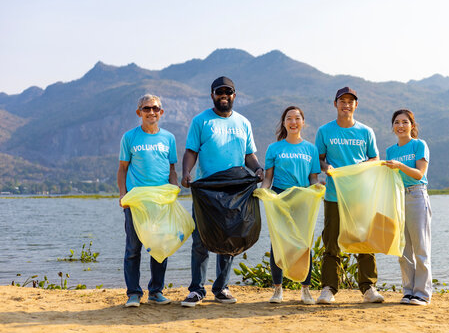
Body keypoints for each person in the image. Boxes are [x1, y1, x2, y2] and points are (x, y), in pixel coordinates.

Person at [180, 76, 264, 307]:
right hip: (207, 190)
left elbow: (249, 155)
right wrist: (187, 172)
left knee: (229, 238)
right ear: (212, 95)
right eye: (220, 92)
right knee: (201, 239)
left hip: (234, 189)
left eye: (228, 92)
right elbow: (190, 151)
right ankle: (196, 289)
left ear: (234, 95)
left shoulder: (243, 123)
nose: (224, 96)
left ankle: (221, 288)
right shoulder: (201, 121)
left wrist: (257, 169)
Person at [315, 86, 384, 304]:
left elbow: (375, 159)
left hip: (360, 196)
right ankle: (329, 288)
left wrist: (360, 167)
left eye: (350, 101)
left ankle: (368, 288)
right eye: (342, 101)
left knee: (364, 240)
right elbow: (319, 160)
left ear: (356, 105)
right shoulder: (325, 131)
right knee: (332, 242)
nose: (346, 104)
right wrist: (329, 169)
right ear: (335, 104)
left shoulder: (366, 131)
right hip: (334, 195)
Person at [117, 94, 179, 308]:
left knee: (159, 247)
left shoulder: (169, 138)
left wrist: (175, 187)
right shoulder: (129, 137)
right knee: (133, 248)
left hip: (161, 203)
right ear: (139, 112)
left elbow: (172, 170)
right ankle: (133, 293)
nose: (151, 112)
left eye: (155, 108)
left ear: (161, 112)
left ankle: (155, 291)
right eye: (146, 108)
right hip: (136, 202)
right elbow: (123, 169)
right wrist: (122, 194)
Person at [260, 106, 321, 305]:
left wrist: (317, 188)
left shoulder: (311, 149)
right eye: (289, 118)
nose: (293, 122)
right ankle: (278, 290)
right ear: (284, 123)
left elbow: (313, 178)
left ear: (303, 122)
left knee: (304, 245)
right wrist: (264, 191)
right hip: (280, 198)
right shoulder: (274, 148)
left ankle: (306, 290)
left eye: (297, 118)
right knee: (278, 244)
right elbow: (268, 178)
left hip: (303, 200)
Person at [383, 109, 432, 306]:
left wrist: (400, 166)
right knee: (402, 248)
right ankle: (408, 291)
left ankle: (422, 293)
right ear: (393, 126)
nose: (400, 126)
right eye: (397, 122)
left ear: (412, 125)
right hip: (398, 198)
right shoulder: (390, 151)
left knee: (420, 247)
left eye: (405, 122)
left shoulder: (420, 145)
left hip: (417, 195)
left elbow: (420, 173)